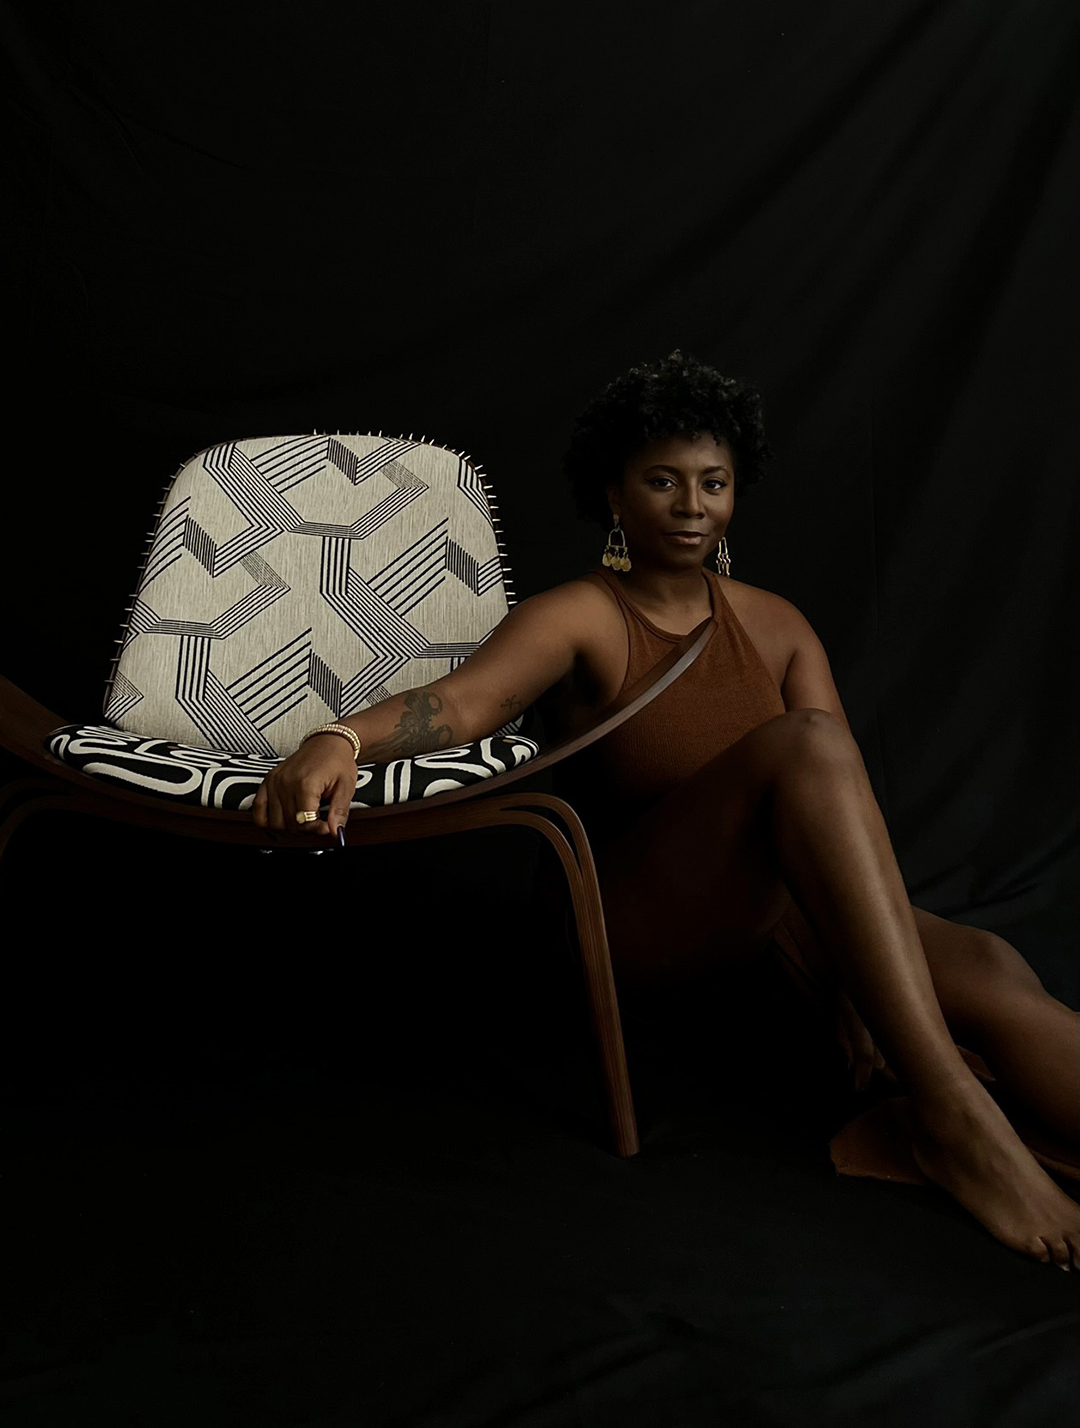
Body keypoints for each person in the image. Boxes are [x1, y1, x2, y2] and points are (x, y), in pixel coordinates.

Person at [253, 351, 1080, 1270]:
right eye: (663, 481)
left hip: (779, 934)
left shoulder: (778, 623)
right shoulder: (581, 615)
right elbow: (463, 704)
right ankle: (954, 1121)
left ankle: (943, 1096)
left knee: (993, 968)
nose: (692, 506)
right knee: (804, 742)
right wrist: (341, 740)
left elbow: (851, 829)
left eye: (713, 483)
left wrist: (858, 986)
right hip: (634, 928)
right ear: (614, 494)